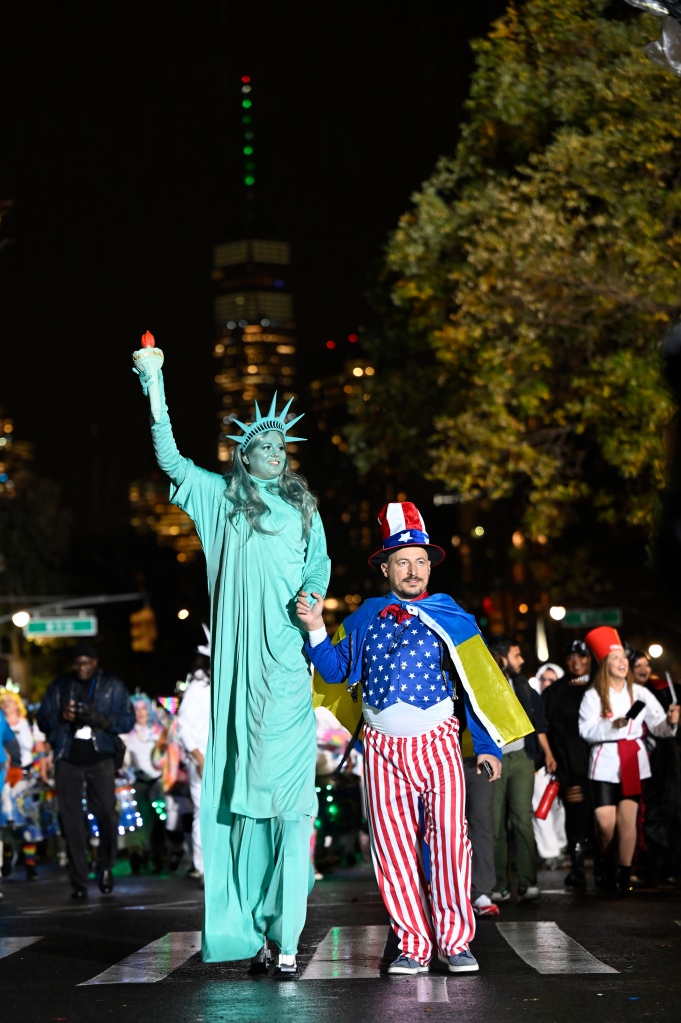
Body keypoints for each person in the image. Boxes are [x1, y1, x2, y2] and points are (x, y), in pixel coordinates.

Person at [135, 360, 330, 975]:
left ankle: (290, 940)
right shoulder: (221, 500)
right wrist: (156, 382)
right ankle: (257, 929)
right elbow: (169, 460)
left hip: (290, 677)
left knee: (292, 811)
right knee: (248, 813)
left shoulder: (305, 507)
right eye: (261, 446)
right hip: (240, 681)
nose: (274, 452)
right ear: (244, 457)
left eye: (280, 445)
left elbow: (318, 566)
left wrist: (313, 598)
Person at [299, 502, 532, 975]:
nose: (413, 570)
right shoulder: (366, 614)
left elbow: (477, 687)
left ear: (430, 566)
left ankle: (456, 942)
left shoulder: (453, 614)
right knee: (392, 848)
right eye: (402, 561)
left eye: (420, 560)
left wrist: (486, 747)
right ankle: (412, 945)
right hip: (382, 748)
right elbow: (336, 671)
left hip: (440, 743)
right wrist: (316, 628)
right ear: (385, 567)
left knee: (450, 841)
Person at [579, 627, 679, 894]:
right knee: (604, 823)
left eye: (624, 658)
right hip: (604, 762)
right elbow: (585, 731)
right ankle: (604, 859)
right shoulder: (592, 695)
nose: (622, 663)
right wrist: (615, 725)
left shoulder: (641, 694)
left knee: (627, 821)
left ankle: (623, 875)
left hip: (634, 760)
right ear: (604, 665)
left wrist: (670, 721)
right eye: (615, 658)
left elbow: (659, 727)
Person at [36, 641, 134, 899]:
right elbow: (42, 719)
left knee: (107, 815)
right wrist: (61, 716)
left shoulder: (111, 684)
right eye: (77, 663)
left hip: (100, 756)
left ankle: (104, 867)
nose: (82, 668)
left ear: (95, 663)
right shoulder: (60, 686)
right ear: (72, 664)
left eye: (87, 663)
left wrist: (99, 718)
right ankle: (78, 880)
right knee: (71, 821)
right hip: (67, 758)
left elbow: (128, 720)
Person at [488, 636, 556, 903]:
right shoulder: (484, 683)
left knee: (523, 819)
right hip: (491, 760)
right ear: (502, 657)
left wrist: (547, 754)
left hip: (521, 759)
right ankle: (500, 884)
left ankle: (527, 881)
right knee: (495, 824)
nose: (522, 660)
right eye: (517, 655)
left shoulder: (523, 686)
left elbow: (537, 723)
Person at [543, 639, 593, 888]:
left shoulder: (600, 686)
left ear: (590, 659)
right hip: (570, 767)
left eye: (582, 656)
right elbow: (545, 727)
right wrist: (553, 760)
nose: (576, 661)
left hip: (602, 766)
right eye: (571, 656)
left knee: (601, 820)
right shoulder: (556, 691)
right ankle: (577, 867)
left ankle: (607, 867)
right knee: (575, 818)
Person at [0, 688, 48, 879]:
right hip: (5, 778)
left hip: (26, 777)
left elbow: (39, 749)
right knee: (6, 822)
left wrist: (42, 770)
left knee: (28, 820)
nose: (6, 704)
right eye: (3, 701)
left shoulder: (28, 725)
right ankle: (8, 853)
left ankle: (30, 864)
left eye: (10, 701)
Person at [177, 633, 211, 884]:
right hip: (202, 757)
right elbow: (184, 726)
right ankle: (202, 866)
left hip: (223, 758)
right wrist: (199, 757)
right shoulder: (198, 687)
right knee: (204, 811)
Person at [123, 694, 165, 873]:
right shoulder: (128, 734)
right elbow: (125, 763)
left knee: (161, 820)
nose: (141, 713)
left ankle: (159, 856)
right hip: (139, 783)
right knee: (142, 823)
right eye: (137, 710)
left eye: (143, 709)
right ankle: (139, 856)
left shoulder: (159, 731)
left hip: (159, 783)